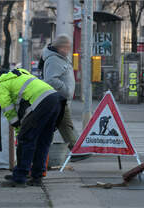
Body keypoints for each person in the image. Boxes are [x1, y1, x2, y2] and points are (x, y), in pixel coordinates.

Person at [0, 68, 66, 187]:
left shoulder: (0, 84)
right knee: (42, 141)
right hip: (56, 99)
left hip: (42, 102)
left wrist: (15, 124)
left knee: (25, 139)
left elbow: (7, 106)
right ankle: (36, 177)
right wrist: (19, 128)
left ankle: (19, 177)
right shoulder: (16, 75)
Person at [41, 34, 90, 162]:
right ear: (60, 47)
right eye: (67, 47)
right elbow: (50, 79)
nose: (69, 49)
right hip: (58, 98)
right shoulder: (53, 59)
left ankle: (73, 150)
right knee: (65, 124)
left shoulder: (60, 57)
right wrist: (66, 90)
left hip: (59, 99)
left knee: (62, 125)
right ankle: (76, 150)